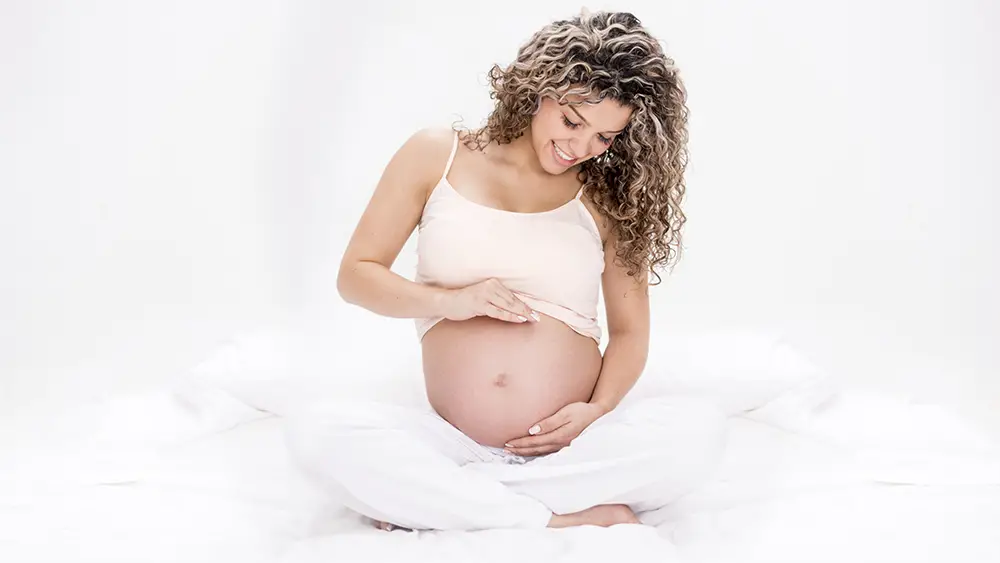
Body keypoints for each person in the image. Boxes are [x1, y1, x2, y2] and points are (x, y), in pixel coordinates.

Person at [285, 9, 727, 532]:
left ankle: (444, 503)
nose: (580, 148)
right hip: (451, 444)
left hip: (572, 447)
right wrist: (449, 302)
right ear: (540, 90)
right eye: (572, 121)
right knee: (319, 433)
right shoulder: (437, 155)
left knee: (701, 432)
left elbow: (630, 332)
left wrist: (598, 410)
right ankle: (553, 515)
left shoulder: (608, 199)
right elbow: (356, 276)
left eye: (604, 138)